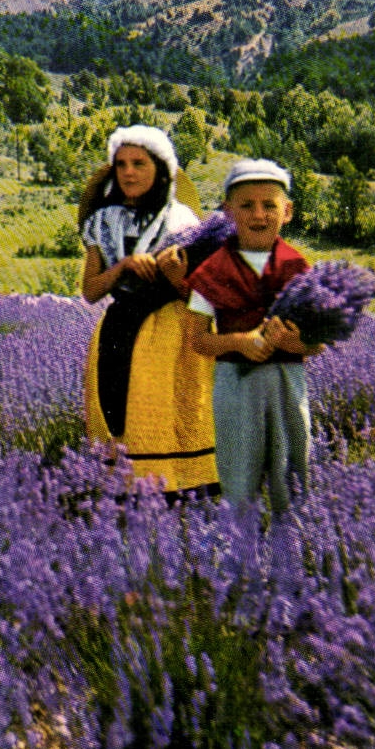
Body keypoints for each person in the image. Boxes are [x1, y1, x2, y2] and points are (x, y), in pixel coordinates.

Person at [78, 125, 218, 497]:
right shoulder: (101, 221)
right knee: (121, 418)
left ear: (160, 168)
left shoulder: (183, 221)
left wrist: (175, 276)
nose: (128, 172)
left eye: (139, 163)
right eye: (121, 164)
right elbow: (91, 291)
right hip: (119, 328)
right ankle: (126, 502)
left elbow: (202, 296)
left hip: (171, 334)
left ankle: (179, 497)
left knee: (166, 416)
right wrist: (122, 267)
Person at [182, 158, 323, 517]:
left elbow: (318, 340)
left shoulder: (299, 268)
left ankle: (291, 549)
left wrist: (296, 343)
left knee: (292, 467)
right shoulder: (212, 270)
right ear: (229, 212)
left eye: (269, 205)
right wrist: (239, 342)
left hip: (287, 382)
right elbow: (197, 339)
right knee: (238, 468)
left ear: (287, 211)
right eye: (246, 205)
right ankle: (240, 551)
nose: (258, 214)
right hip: (235, 383)